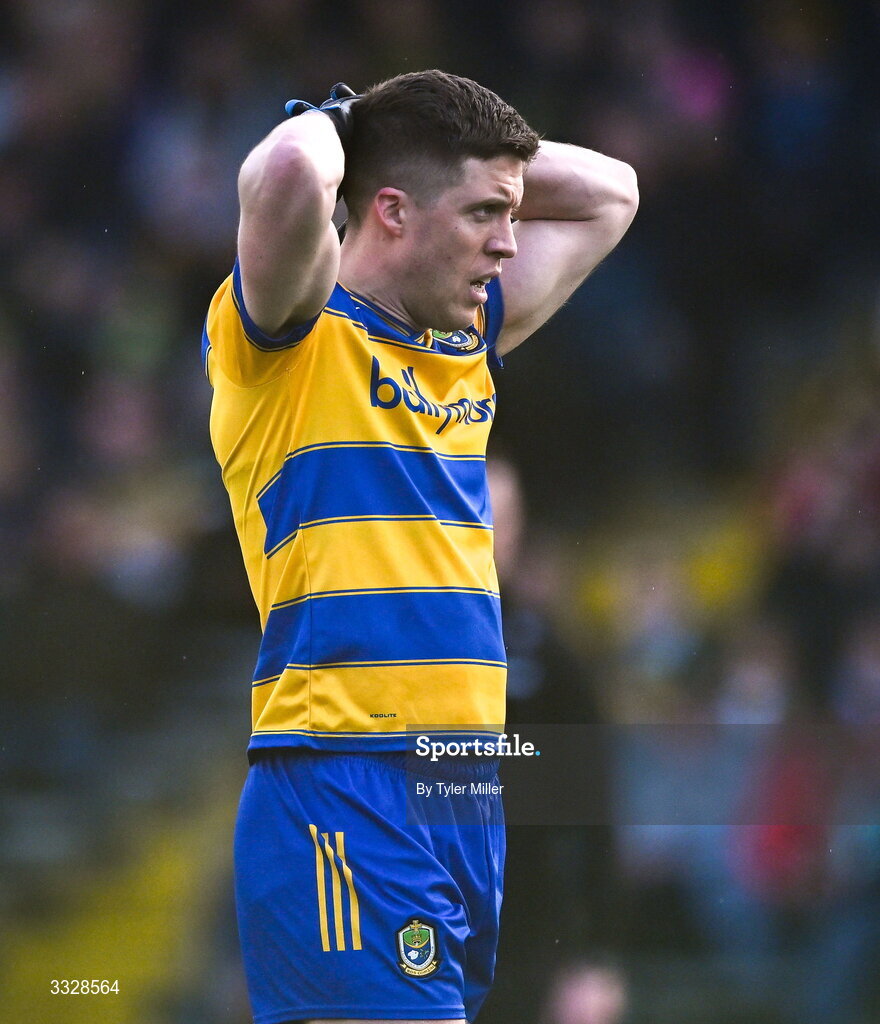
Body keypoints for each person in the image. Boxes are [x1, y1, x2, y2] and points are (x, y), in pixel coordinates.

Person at [202, 70, 637, 1024]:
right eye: (484, 213)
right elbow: (290, 168)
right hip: (343, 778)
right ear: (391, 211)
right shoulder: (290, 338)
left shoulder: (466, 340)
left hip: (460, 787)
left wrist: (468, 165)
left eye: (511, 214)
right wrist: (353, 125)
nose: (509, 241)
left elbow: (614, 193)